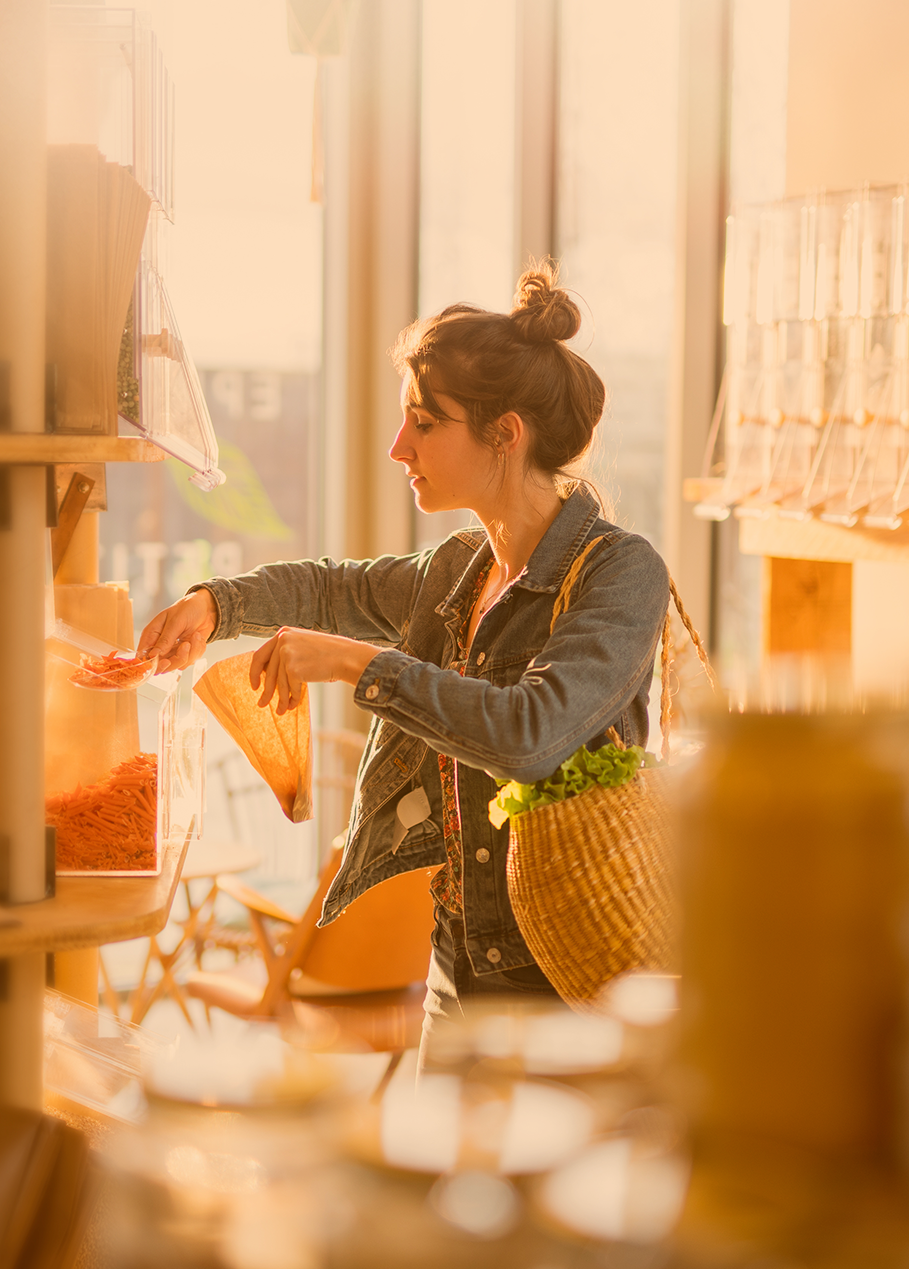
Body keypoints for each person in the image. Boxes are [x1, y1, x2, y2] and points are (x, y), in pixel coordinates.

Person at [138, 262, 670, 1038]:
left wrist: (354, 664)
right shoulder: (460, 570)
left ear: (504, 435)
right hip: (457, 966)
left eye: (424, 422)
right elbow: (330, 589)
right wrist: (213, 605)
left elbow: (528, 734)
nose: (398, 447)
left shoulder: (622, 573)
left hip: (565, 987)